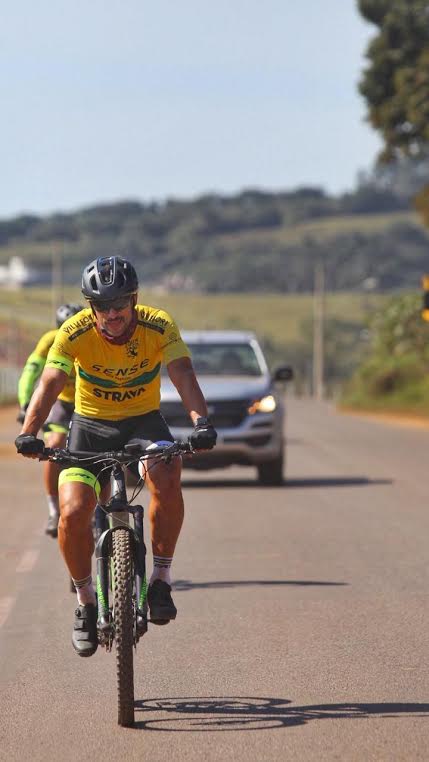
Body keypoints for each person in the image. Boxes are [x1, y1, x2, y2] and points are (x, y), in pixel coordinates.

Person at [15, 256, 217, 657]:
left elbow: (182, 373)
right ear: (90, 307)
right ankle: (86, 604)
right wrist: (28, 432)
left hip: (144, 424)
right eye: (102, 306)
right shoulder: (73, 332)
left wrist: (201, 423)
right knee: (72, 512)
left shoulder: (159, 324)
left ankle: (160, 578)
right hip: (90, 426)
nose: (111, 315)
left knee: (167, 472)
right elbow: (51, 381)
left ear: (135, 300)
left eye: (120, 305)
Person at [17, 303, 83, 537]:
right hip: (62, 402)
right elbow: (31, 371)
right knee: (54, 444)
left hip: (90, 401)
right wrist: (26, 404)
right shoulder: (50, 340)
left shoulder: (92, 337)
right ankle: (54, 511)